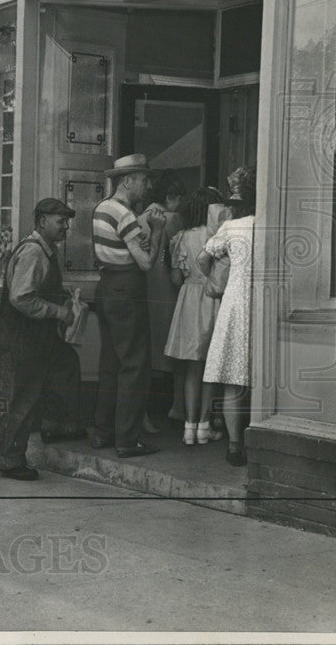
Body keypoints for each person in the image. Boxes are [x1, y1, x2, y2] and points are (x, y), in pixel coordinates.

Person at [0, 198, 85, 481]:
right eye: (61, 221)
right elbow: (21, 297)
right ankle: (10, 460)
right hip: (22, 339)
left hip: (36, 339)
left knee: (65, 364)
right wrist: (59, 311)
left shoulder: (44, 251)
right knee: (21, 398)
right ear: (43, 221)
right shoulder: (34, 252)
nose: (66, 227)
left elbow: (37, 287)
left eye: (67, 221)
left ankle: (55, 424)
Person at [91, 154, 166, 458]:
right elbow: (146, 263)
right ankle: (128, 440)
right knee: (134, 364)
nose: (147, 186)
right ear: (127, 181)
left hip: (107, 287)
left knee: (111, 362)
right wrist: (158, 231)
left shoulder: (101, 209)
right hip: (127, 290)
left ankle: (102, 431)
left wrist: (140, 230)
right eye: (143, 179)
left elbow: (122, 246)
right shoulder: (125, 216)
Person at [199, 166, 256, 467]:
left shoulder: (232, 228)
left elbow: (203, 256)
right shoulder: (272, 223)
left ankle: (235, 445)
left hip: (235, 302)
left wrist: (214, 279)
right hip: (262, 304)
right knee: (260, 375)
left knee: (233, 376)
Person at [165, 187, 224, 446]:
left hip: (188, 299)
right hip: (212, 298)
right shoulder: (217, 237)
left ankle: (188, 427)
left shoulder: (180, 237)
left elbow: (176, 278)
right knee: (210, 366)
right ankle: (204, 425)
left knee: (191, 366)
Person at [139, 172, 186, 430]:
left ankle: (142, 412)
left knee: (145, 355)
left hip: (146, 291)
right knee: (177, 353)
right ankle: (178, 406)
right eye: (179, 198)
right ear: (170, 197)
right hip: (168, 291)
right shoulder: (173, 219)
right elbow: (179, 257)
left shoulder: (138, 218)